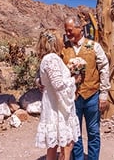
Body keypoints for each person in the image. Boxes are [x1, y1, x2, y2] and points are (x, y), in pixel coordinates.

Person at [62, 15, 110, 160]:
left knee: (93, 132)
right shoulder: (64, 49)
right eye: (66, 31)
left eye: (70, 30)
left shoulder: (94, 46)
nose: (68, 34)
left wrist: (103, 94)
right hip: (72, 98)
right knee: (74, 132)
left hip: (92, 96)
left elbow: (104, 68)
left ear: (79, 28)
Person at [35, 28, 81, 160]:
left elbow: (46, 79)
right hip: (58, 107)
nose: (63, 40)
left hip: (53, 104)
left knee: (53, 144)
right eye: (60, 38)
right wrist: (74, 80)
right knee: (67, 143)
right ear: (55, 42)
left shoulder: (47, 59)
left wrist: (39, 81)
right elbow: (58, 84)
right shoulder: (52, 59)